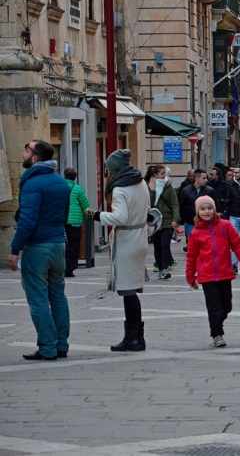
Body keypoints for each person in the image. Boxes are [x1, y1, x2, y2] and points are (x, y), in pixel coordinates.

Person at [8, 140, 71, 361]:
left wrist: (14, 249)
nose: (23, 153)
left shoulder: (33, 184)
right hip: (58, 244)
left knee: (38, 300)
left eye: (26, 150)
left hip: (38, 246)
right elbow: (64, 216)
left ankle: (47, 347)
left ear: (35, 158)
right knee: (58, 296)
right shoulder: (60, 182)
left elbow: (27, 220)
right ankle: (61, 345)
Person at [85, 149, 150, 351]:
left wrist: (95, 215)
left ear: (113, 170)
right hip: (139, 238)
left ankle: (134, 338)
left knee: (128, 291)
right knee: (131, 290)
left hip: (127, 241)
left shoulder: (120, 189)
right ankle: (136, 337)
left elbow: (120, 218)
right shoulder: (140, 183)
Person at [186, 196, 240, 347]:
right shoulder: (196, 233)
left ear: (214, 209)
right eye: (203, 209)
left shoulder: (225, 226)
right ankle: (217, 334)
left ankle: (218, 323)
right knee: (214, 307)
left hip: (225, 272)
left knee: (226, 306)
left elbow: (237, 244)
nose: (207, 211)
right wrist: (190, 277)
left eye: (209, 208)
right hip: (207, 275)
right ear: (198, 212)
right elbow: (191, 256)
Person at [146, 165, 179, 280]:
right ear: (155, 175)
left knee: (165, 244)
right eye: (162, 173)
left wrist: (175, 219)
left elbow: (174, 204)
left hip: (167, 220)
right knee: (157, 246)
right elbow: (148, 204)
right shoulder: (148, 186)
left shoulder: (168, 186)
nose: (164, 176)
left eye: (165, 173)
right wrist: (152, 191)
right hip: (154, 222)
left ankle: (164, 269)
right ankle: (160, 269)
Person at [63, 167, 90, 278]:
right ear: (75, 177)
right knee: (73, 246)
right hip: (75, 222)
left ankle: (59, 267)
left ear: (64, 175)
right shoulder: (78, 189)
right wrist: (85, 218)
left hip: (61, 221)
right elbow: (85, 206)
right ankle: (69, 269)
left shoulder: (59, 187)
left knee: (62, 245)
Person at [178, 168, 215, 247]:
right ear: (197, 179)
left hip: (206, 222)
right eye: (203, 178)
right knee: (192, 244)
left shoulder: (210, 191)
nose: (206, 180)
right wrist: (181, 218)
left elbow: (215, 207)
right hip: (190, 222)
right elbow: (181, 205)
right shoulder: (186, 191)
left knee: (206, 244)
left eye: (206, 178)